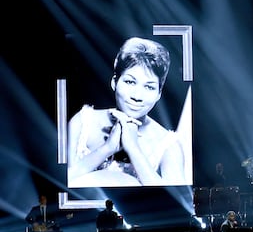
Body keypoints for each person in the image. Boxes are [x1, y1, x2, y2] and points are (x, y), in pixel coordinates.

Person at [68, 36, 187, 187]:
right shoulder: (83, 122)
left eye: (149, 87)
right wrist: (108, 148)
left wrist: (132, 147)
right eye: (130, 82)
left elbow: (178, 203)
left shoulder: (168, 145)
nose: (137, 96)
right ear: (114, 82)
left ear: (159, 93)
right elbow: (60, 185)